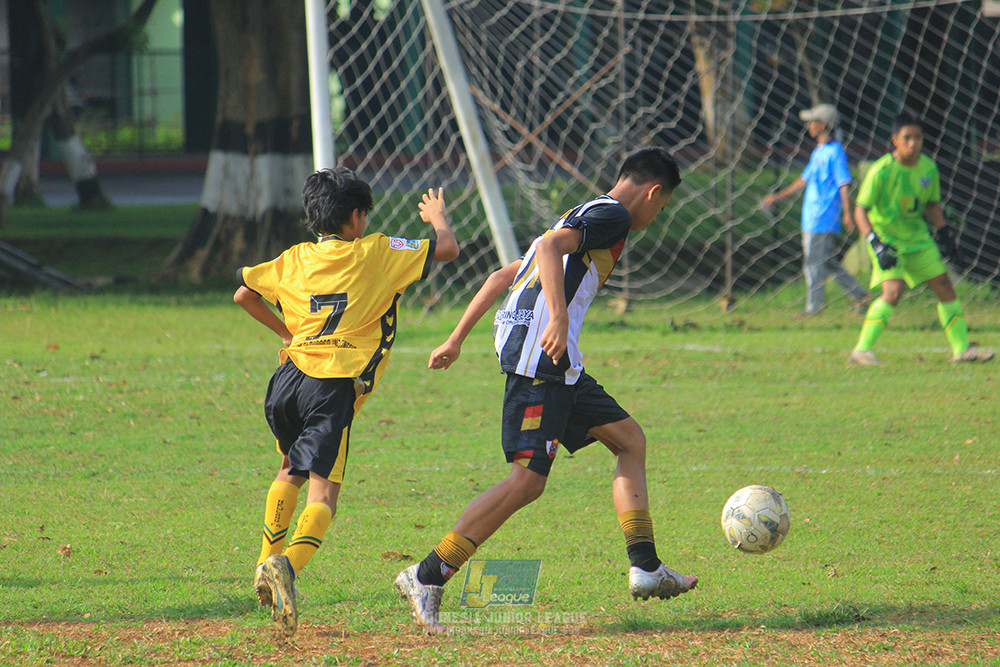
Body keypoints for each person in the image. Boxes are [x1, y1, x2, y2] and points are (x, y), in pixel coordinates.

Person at [394, 147, 697, 635]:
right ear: (652, 191)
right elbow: (550, 247)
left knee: (630, 440)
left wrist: (455, 338)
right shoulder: (612, 216)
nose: (654, 217)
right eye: (660, 209)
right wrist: (557, 317)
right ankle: (427, 575)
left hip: (561, 364)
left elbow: (502, 276)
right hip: (543, 360)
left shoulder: (584, 214)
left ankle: (645, 566)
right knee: (527, 482)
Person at [234, 167, 459, 635]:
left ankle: (263, 562)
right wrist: (438, 218)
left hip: (288, 380)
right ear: (357, 217)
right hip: (332, 387)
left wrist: (288, 332)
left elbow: (243, 294)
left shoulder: (294, 258)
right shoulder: (377, 251)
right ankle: (285, 568)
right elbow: (449, 250)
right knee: (324, 492)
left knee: (288, 472)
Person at [848, 112, 994, 366]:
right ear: (895, 140)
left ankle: (962, 351)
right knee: (893, 291)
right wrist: (875, 242)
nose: (912, 143)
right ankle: (861, 350)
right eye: (907, 138)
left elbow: (931, 205)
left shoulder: (928, 167)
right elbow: (861, 210)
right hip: (888, 239)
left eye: (917, 138)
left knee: (944, 285)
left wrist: (946, 234)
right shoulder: (881, 170)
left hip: (918, 238)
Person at [764, 103, 870, 317]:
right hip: (812, 217)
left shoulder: (835, 152)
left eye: (812, 121)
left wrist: (847, 213)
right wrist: (777, 197)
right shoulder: (818, 152)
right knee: (829, 263)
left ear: (823, 125)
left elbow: (844, 184)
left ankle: (814, 308)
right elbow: (803, 181)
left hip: (823, 216)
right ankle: (861, 296)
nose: (809, 125)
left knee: (813, 262)